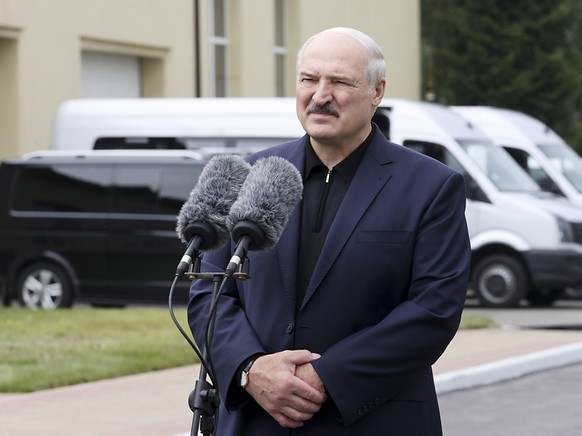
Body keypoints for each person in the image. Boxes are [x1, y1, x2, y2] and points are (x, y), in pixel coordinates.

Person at [188, 27, 471, 435]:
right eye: (308, 80)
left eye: (339, 81)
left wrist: (326, 378)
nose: (320, 95)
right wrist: (251, 369)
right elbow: (209, 294)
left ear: (377, 91)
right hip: (255, 419)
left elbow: (433, 309)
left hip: (371, 420)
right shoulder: (249, 174)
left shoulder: (431, 186)